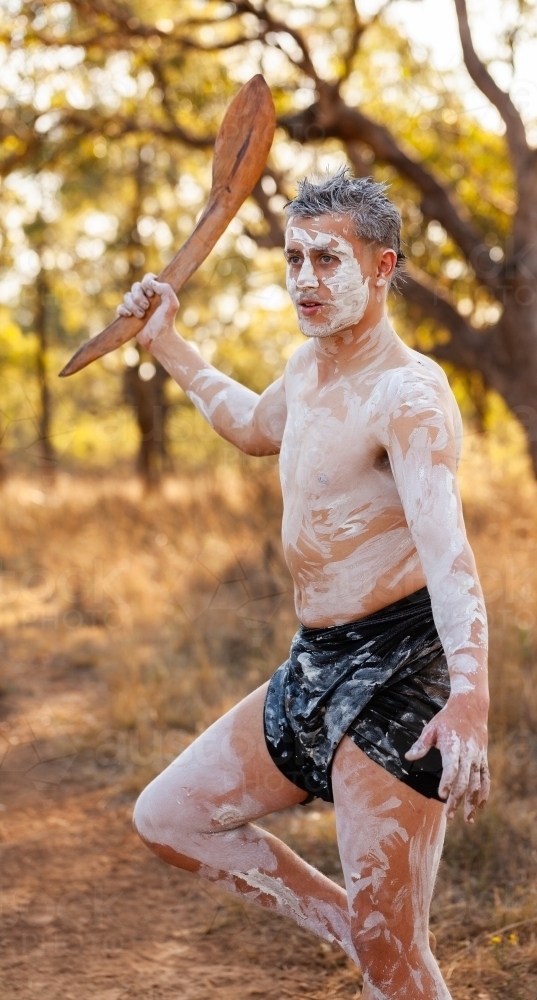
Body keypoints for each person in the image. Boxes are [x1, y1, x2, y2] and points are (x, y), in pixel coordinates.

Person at [126, 170, 489, 1000]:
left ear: (383, 267)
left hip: (401, 673)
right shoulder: (308, 368)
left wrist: (468, 694)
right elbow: (252, 426)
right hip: (314, 664)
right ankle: (361, 935)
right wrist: (168, 343)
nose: (304, 279)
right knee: (168, 816)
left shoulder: (408, 394)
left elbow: (448, 554)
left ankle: (379, 949)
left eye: (328, 259)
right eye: (293, 259)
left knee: (395, 963)